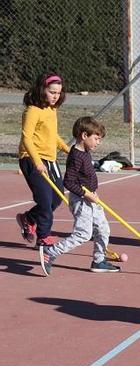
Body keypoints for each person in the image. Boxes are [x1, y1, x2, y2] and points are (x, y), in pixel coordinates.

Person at [39, 117, 119, 275]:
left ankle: (99, 260)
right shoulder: (76, 156)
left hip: (92, 197)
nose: (98, 142)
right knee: (83, 234)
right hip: (81, 200)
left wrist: (92, 193)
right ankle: (51, 252)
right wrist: (85, 194)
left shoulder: (86, 152)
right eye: (96, 138)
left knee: (103, 229)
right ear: (84, 135)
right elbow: (68, 182)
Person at [16, 72, 70, 248]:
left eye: (58, 93)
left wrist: (68, 150)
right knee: (45, 200)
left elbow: (52, 135)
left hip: (50, 160)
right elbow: (27, 138)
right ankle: (43, 236)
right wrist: (37, 162)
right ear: (42, 89)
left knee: (57, 197)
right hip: (32, 159)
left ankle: (29, 218)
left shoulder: (52, 110)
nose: (55, 96)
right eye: (51, 92)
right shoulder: (32, 111)